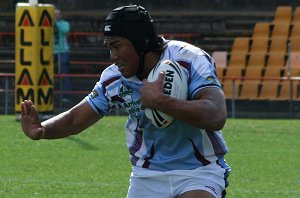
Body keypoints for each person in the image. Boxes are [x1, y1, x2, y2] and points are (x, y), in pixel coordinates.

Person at [21, 5, 231, 198]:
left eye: (117, 46)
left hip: (199, 171)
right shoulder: (114, 78)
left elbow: (216, 115)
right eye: (109, 47)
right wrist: (42, 130)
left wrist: (161, 101)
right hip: (147, 175)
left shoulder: (189, 58)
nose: (112, 56)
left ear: (141, 42)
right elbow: (76, 119)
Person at [54, 8, 72, 102]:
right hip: (52, 52)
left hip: (63, 51)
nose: (57, 15)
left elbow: (65, 31)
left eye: (58, 14)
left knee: (65, 74)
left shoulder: (64, 23)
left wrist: (56, 23)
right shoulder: (48, 24)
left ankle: (67, 96)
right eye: (55, 14)